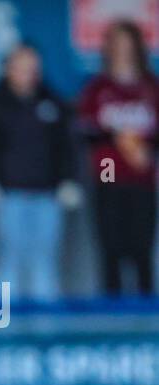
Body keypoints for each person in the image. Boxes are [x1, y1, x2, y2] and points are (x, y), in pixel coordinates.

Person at [0, 44, 81, 301]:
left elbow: (66, 147)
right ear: (8, 69)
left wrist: (68, 180)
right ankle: (3, 330)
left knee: (44, 260)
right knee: (9, 257)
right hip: (8, 195)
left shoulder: (52, 103)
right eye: (21, 68)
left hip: (47, 195)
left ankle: (47, 332)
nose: (27, 74)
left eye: (32, 68)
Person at [79, 19, 159, 296]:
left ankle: (146, 319)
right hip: (108, 173)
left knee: (141, 247)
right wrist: (119, 137)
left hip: (142, 177)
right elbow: (84, 129)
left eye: (128, 44)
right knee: (111, 246)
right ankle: (110, 317)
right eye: (117, 44)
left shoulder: (150, 87)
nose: (123, 50)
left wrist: (145, 146)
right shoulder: (98, 88)